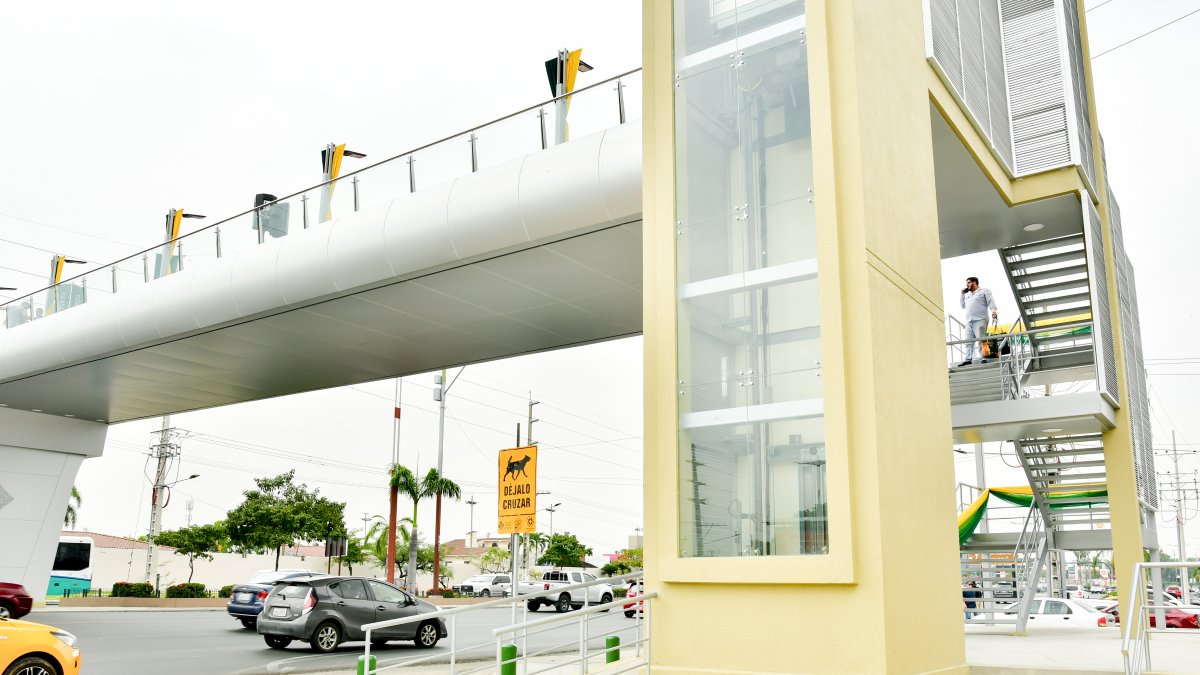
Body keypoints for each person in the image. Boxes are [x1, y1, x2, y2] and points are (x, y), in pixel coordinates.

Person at [959, 276, 998, 366]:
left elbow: (990, 301)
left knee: (981, 340)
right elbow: (962, 305)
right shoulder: (968, 294)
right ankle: (968, 359)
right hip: (969, 321)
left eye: (968, 282)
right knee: (968, 341)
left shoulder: (984, 291)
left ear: (974, 282)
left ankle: (983, 357)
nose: (967, 285)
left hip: (980, 319)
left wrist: (993, 311)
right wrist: (962, 294)